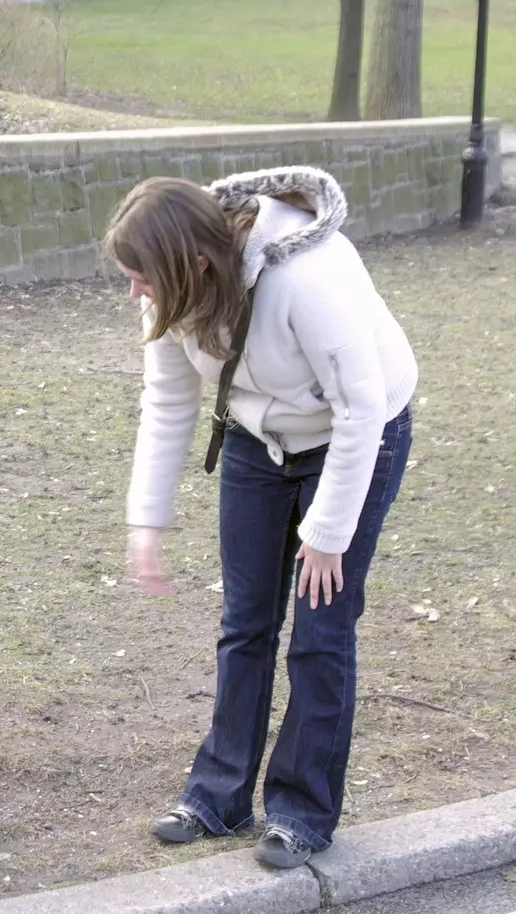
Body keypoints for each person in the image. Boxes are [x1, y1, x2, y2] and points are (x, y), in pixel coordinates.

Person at [104, 167, 417, 870]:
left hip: (355, 434)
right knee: (245, 620)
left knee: (320, 626)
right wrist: (145, 522)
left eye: (140, 277)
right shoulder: (173, 287)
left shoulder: (307, 279)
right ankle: (218, 796)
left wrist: (328, 533)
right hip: (256, 438)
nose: (134, 292)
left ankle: (302, 812)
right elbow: (169, 402)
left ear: (196, 263)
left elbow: (362, 408)